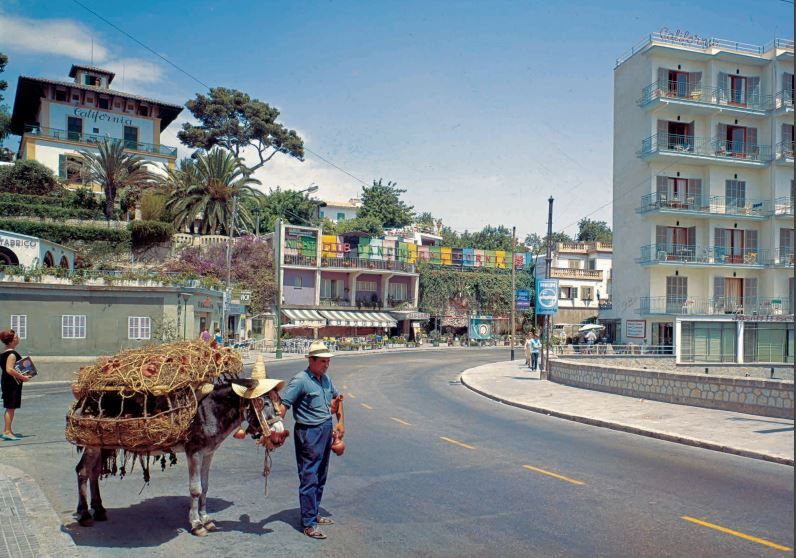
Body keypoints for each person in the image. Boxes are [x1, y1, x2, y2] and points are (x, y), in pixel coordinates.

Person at [280, 340, 345, 540]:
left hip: (325, 429)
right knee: (309, 476)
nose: (326, 365)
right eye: (323, 361)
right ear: (312, 360)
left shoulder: (326, 379)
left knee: (321, 475)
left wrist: (340, 423)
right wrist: (274, 429)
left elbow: (338, 399)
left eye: (328, 361)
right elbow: (284, 405)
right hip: (308, 432)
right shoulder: (300, 380)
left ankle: (314, 512)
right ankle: (308, 523)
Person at [1, 330, 30, 441]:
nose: (19, 338)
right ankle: (7, 432)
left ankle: (8, 430)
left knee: (10, 407)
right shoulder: (12, 354)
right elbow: (9, 370)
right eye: (17, 336)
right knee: (10, 407)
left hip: (8, 382)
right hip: (11, 383)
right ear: (12, 340)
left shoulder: (4, 352)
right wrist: (24, 377)